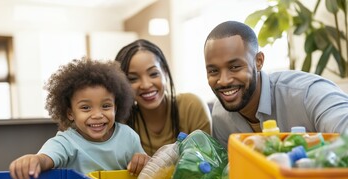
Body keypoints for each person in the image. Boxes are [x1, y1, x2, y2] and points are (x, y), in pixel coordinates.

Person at [204, 20, 348, 148]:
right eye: (213, 71)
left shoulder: (308, 93)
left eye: (234, 67)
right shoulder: (221, 115)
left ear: (258, 61)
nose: (223, 80)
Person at [9, 57, 150, 179]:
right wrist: (35, 160)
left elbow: (148, 169)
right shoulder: (66, 142)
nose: (97, 115)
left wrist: (143, 161)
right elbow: (45, 159)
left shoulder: (128, 137)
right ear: (70, 113)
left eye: (106, 106)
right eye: (86, 107)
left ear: (116, 107)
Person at [115, 39, 212, 156]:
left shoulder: (191, 106)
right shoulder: (122, 119)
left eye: (153, 74)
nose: (146, 85)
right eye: (133, 79)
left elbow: (207, 160)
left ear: (165, 73)